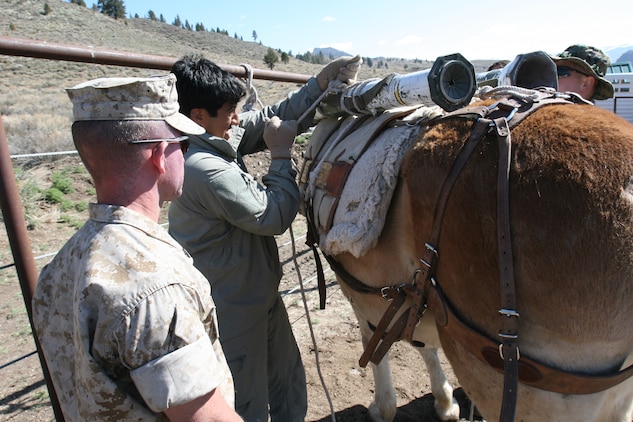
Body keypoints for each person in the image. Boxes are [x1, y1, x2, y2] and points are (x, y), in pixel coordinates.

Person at [32, 74, 244, 421]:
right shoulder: (154, 287)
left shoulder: (60, 265)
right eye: (184, 145)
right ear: (160, 155)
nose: (185, 154)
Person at [167, 53, 361, 421]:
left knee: (286, 383)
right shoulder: (203, 168)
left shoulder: (213, 138)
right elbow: (273, 215)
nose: (237, 119)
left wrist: (318, 86)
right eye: (229, 112)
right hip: (233, 309)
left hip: (257, 295)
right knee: (247, 400)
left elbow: (275, 116)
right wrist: (281, 154)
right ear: (198, 117)